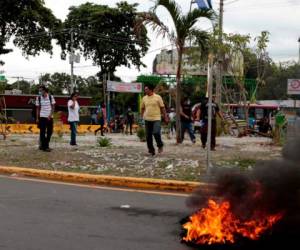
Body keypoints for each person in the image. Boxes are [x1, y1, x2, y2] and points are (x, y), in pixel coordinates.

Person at [141, 84, 168, 156]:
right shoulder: (144, 98)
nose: (145, 90)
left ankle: (160, 145)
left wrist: (165, 117)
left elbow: (162, 108)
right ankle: (151, 150)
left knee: (156, 132)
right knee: (148, 136)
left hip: (156, 118)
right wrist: (142, 117)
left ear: (150, 90)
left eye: (146, 89)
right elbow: (142, 108)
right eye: (145, 89)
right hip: (147, 119)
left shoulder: (158, 97)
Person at [36, 85, 55, 152]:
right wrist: (37, 118)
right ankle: (45, 147)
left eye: (41, 90)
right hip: (42, 117)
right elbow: (38, 108)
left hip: (49, 117)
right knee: (42, 132)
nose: (40, 92)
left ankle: (44, 145)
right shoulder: (38, 98)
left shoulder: (50, 97)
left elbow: (53, 107)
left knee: (50, 132)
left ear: (44, 90)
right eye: (39, 90)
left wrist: (50, 115)